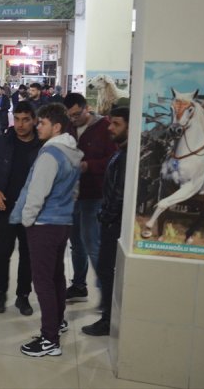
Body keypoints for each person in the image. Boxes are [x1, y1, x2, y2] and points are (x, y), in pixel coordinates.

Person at [10, 103, 82, 357]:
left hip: (44, 224)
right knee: (55, 276)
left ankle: (49, 339)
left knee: (42, 281)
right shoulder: (71, 152)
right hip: (63, 222)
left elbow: (36, 193)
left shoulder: (50, 154)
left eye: (42, 123)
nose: (37, 126)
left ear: (57, 127)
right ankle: (57, 321)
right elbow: (74, 190)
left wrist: (27, 220)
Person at [0, 102, 42, 315]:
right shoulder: (2, 142)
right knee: (3, 251)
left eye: (25, 120)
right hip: (5, 207)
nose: (20, 124)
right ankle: (0, 292)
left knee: (28, 253)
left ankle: (23, 295)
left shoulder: (43, 145)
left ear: (34, 120)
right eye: (17, 119)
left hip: (31, 210)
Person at [62, 92, 118, 303]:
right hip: (73, 194)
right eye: (70, 115)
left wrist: (89, 166)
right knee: (76, 243)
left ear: (87, 108)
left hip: (95, 195)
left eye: (77, 114)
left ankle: (106, 296)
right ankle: (79, 285)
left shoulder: (105, 128)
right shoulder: (69, 128)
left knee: (92, 243)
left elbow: (114, 159)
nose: (73, 119)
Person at [82, 106, 129, 337]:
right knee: (105, 268)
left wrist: (107, 217)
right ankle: (108, 316)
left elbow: (119, 194)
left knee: (105, 268)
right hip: (111, 220)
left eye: (117, 124)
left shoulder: (126, 157)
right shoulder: (121, 153)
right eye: (111, 122)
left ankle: (108, 319)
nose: (110, 128)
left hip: (114, 223)